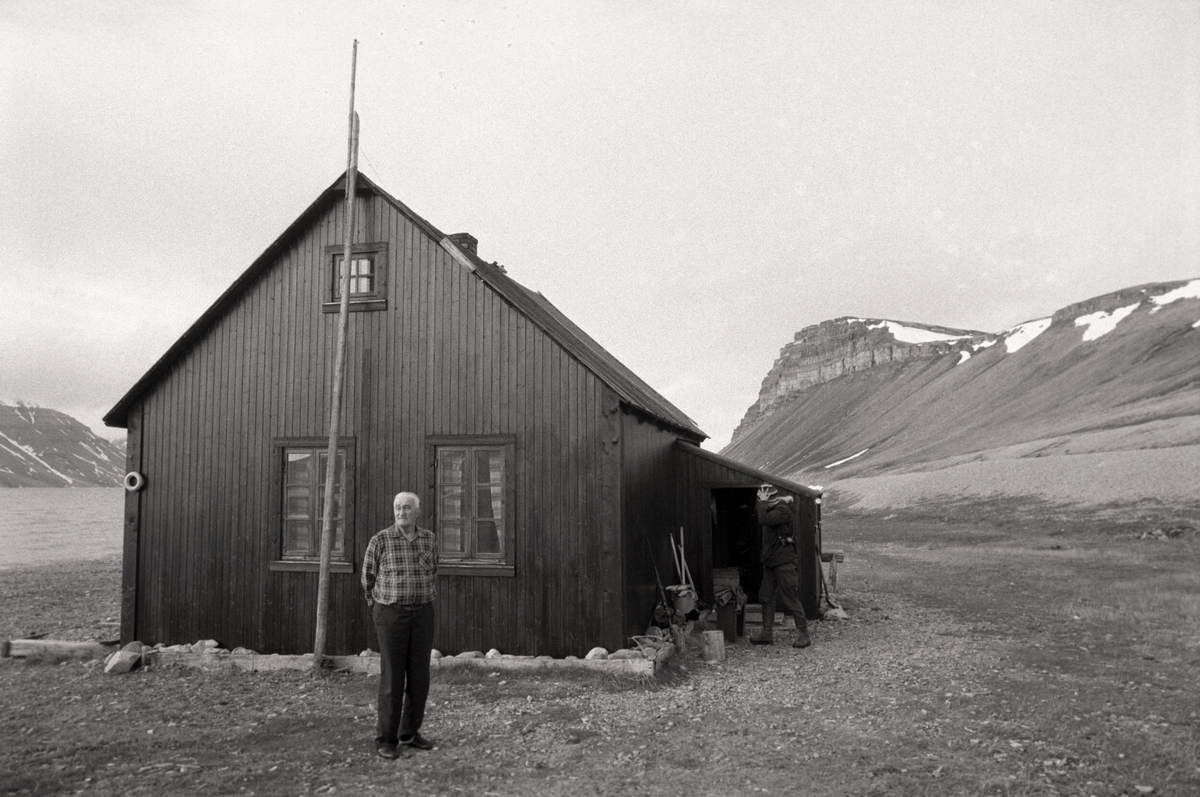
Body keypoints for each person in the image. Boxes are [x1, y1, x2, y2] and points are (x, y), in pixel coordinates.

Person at [362, 491, 438, 758]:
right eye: (397, 507)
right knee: (392, 677)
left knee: (419, 677)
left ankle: (409, 733)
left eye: (407, 508)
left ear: (417, 511)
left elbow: (433, 572)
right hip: (390, 615)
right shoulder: (380, 540)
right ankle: (386, 738)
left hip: (422, 614)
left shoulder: (429, 539)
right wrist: (379, 607)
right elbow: (367, 579)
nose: (401, 512)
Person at [750, 483, 812, 649]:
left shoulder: (783, 511)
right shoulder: (773, 510)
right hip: (772, 562)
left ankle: (804, 634)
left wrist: (762, 503)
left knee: (790, 597)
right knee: (765, 596)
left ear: (767, 498)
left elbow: (763, 519)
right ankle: (767, 633)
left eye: (761, 498)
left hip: (784, 562)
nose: (759, 501)